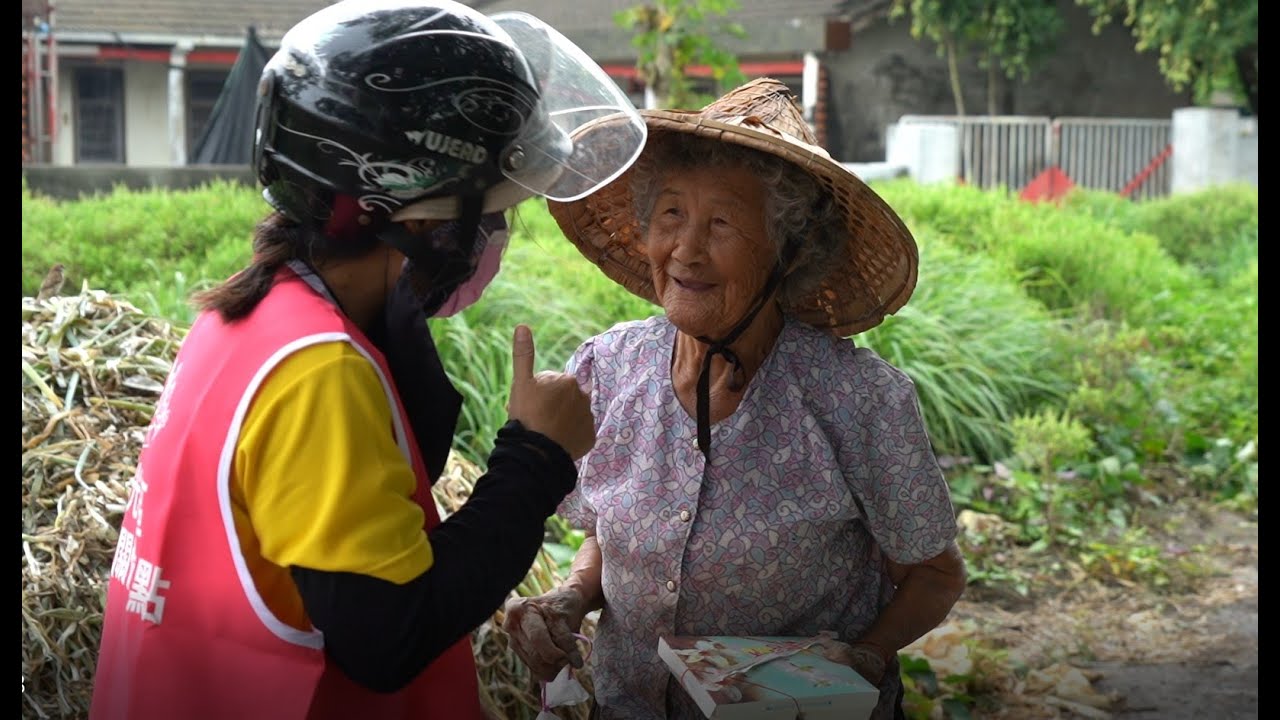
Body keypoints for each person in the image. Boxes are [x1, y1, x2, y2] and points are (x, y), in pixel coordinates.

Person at [88, 2, 646, 719]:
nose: (496, 239)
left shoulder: (250, 318)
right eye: (493, 214)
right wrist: (535, 458)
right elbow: (389, 635)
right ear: (419, 222)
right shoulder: (320, 371)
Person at [501, 78, 967, 720]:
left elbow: (934, 575)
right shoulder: (609, 369)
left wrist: (866, 655)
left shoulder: (858, 400)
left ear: (789, 249)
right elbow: (614, 534)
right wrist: (571, 598)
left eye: (722, 223)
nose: (686, 250)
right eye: (670, 214)